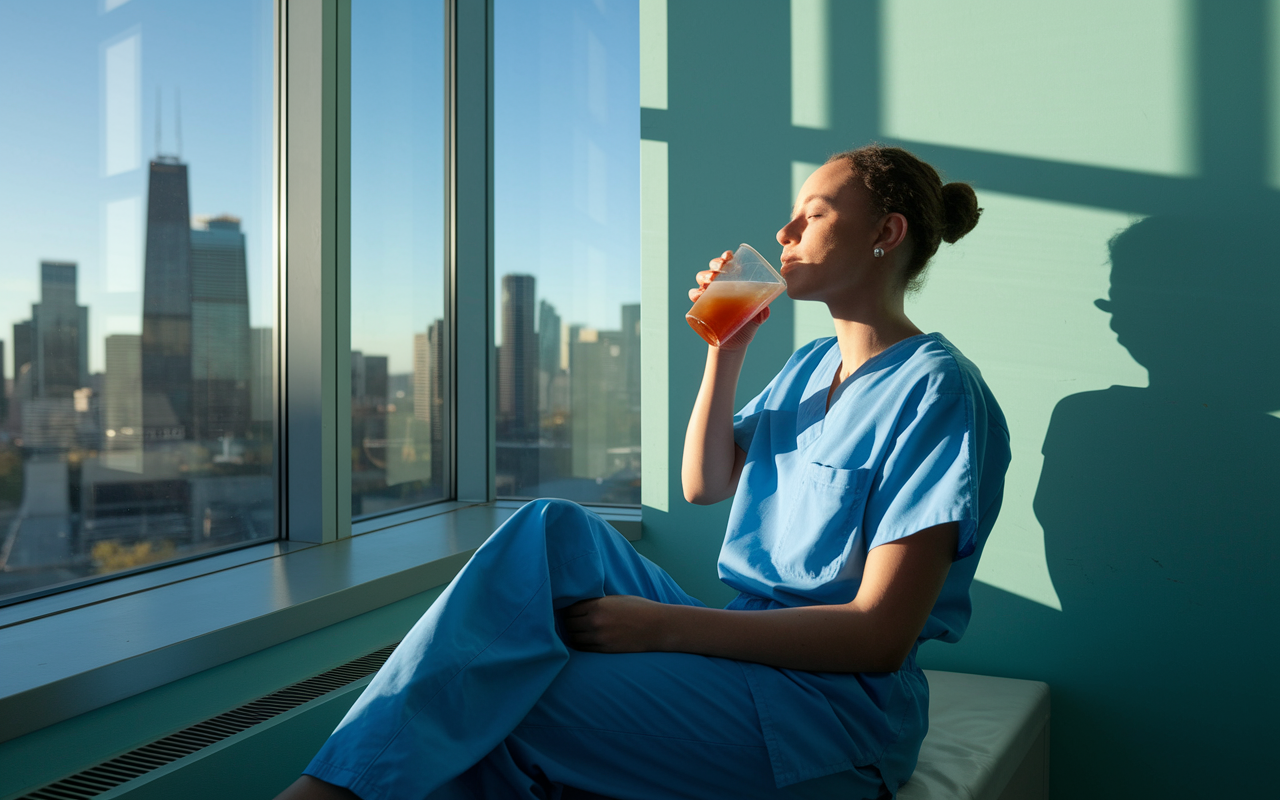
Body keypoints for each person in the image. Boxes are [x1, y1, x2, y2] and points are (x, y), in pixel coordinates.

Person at [274, 144, 1009, 800]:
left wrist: (663, 626)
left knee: (513, 696)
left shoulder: (938, 391)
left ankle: (329, 794)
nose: (785, 234)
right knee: (551, 527)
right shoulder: (810, 365)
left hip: (833, 712)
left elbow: (877, 636)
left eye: (812, 216)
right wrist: (726, 348)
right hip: (746, 660)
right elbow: (705, 483)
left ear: (886, 234)